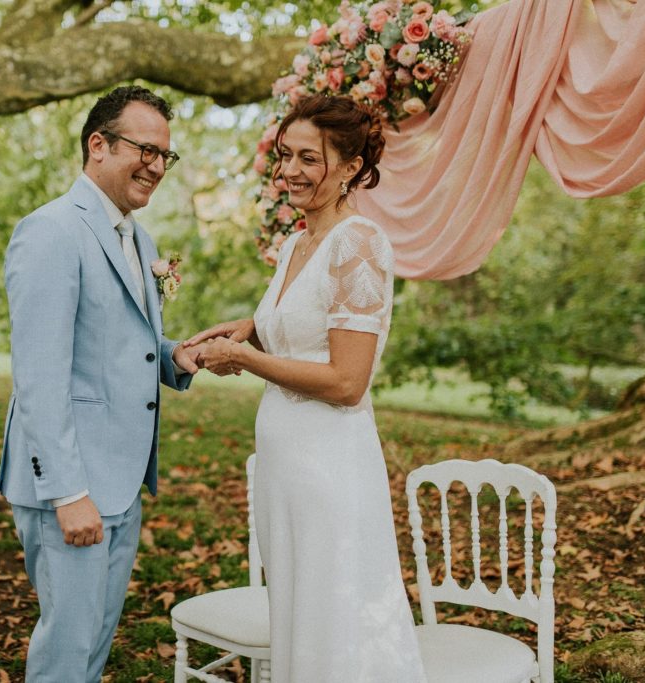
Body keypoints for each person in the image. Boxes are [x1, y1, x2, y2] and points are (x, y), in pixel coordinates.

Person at [185, 94, 427, 682]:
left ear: (348, 167)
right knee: (298, 613)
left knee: (336, 617)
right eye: (285, 155)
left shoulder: (359, 243)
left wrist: (243, 356)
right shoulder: (296, 243)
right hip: (285, 466)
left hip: (330, 468)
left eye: (308, 159)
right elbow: (303, 334)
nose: (290, 170)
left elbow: (347, 380)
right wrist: (253, 331)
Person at [0, 85, 200, 682]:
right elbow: (39, 375)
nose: (157, 166)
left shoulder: (141, 238)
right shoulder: (50, 231)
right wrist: (66, 494)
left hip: (122, 481)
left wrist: (178, 358)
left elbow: (120, 344)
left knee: (93, 648)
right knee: (66, 653)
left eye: (166, 155)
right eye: (145, 149)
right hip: (72, 486)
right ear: (98, 145)